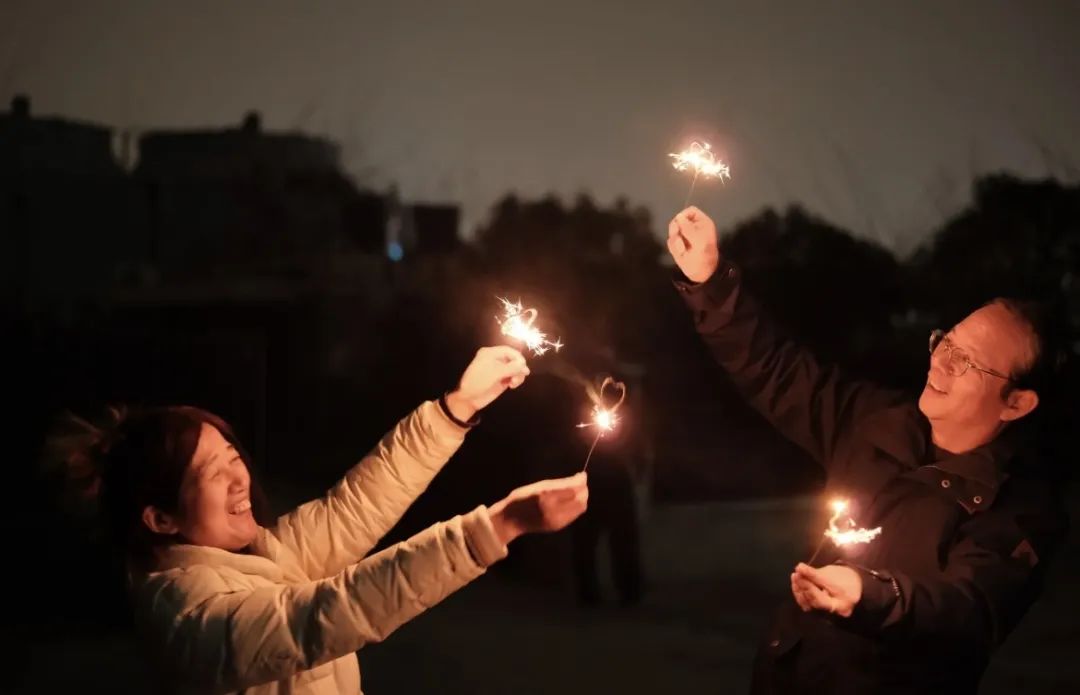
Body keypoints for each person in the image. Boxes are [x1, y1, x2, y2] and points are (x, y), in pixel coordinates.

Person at [666, 206, 1068, 694]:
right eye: (945, 342)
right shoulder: (877, 423)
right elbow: (779, 372)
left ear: (1017, 402)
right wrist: (711, 281)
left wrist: (873, 595)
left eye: (966, 362)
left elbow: (968, 607)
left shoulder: (1020, 507)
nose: (940, 362)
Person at [67, 345, 588, 694]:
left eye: (233, 457)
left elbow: (354, 508)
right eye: (210, 473)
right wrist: (495, 529)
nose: (239, 479)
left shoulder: (263, 556)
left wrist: (457, 407)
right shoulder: (188, 618)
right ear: (160, 519)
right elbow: (326, 613)